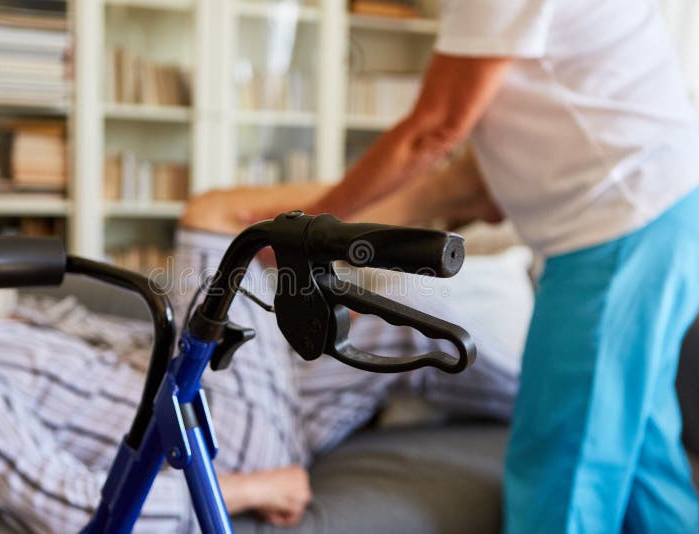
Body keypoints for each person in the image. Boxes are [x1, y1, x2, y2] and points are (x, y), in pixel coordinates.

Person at [246, 1, 699, 532]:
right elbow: (496, 147)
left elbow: (433, 129)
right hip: (658, 214)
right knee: (640, 443)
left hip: (623, 228)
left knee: (562, 456)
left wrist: (312, 229)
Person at [0, 150, 521, 532]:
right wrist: (255, 489)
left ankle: (557, 403)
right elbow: (71, 506)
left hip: (225, 396)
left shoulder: (15, 315)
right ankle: (432, 191)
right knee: (215, 218)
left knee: (394, 331)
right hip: (211, 437)